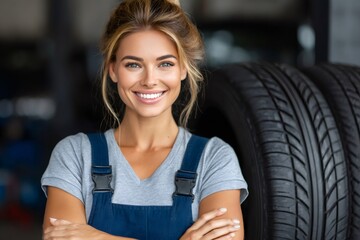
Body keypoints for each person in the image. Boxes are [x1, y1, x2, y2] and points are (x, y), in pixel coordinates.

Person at [41, 0, 248, 239]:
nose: (150, 80)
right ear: (113, 69)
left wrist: (97, 236)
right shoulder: (74, 155)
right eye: (133, 64)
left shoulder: (214, 159)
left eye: (165, 64)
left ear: (183, 68)